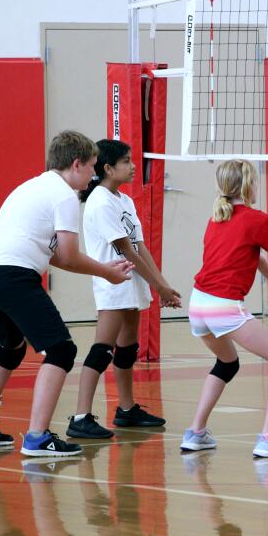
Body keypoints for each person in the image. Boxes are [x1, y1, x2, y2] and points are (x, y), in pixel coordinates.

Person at [0, 130, 134, 457]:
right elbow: (68, 256)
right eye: (92, 167)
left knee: (10, 349)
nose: (93, 175)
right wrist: (107, 272)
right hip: (12, 274)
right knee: (61, 350)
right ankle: (38, 437)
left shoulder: (34, 185)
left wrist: (101, 268)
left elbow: (51, 253)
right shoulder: (64, 196)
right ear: (76, 164)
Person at [180, 159, 268, 458]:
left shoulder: (217, 217)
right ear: (249, 184)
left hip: (198, 304)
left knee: (227, 362)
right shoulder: (257, 219)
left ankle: (196, 432)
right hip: (223, 305)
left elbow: (260, 260)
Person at [67, 139, 182, 440]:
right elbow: (126, 251)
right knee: (103, 347)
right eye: (127, 161)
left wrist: (162, 284)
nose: (133, 167)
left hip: (133, 284)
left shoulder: (125, 200)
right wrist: (160, 287)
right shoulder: (100, 201)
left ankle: (127, 409)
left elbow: (141, 247)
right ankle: (80, 417)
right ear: (108, 168)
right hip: (113, 283)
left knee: (127, 348)